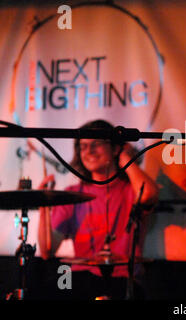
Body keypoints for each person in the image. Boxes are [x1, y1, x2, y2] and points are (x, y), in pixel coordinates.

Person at [37, 119, 159, 300]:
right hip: (79, 277)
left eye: (96, 144)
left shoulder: (131, 190)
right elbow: (48, 250)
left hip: (123, 279)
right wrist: (43, 205)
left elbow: (148, 194)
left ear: (115, 148)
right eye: (83, 146)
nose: (89, 151)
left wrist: (126, 157)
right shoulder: (73, 194)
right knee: (47, 289)